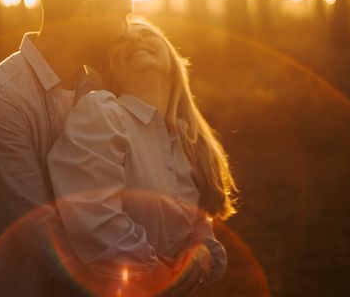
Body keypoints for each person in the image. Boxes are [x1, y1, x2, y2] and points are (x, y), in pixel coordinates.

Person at [0, 0, 138, 297]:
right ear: (88, 12)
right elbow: (41, 231)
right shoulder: (0, 100)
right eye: (122, 14)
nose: (126, 30)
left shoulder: (102, 85)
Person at [48, 19, 237, 296]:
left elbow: (198, 225)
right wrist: (157, 276)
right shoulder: (103, 113)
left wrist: (201, 253)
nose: (136, 41)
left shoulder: (188, 140)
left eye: (147, 34)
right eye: (123, 42)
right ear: (110, 71)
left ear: (172, 61)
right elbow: (94, 218)